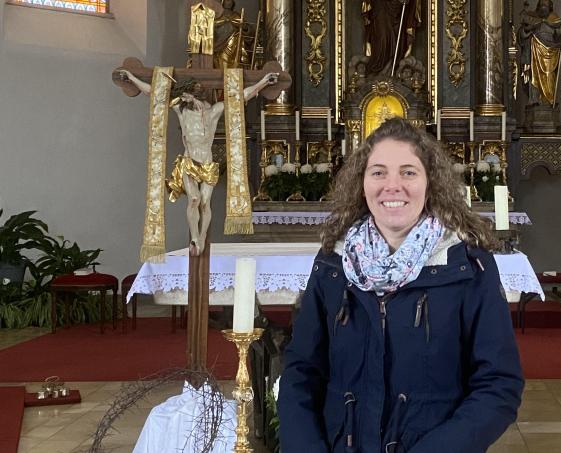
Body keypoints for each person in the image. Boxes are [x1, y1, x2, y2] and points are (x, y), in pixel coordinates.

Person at [278, 117, 523, 453]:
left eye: (408, 172)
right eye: (378, 172)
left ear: (430, 182)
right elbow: (301, 373)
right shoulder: (333, 265)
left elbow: (499, 385)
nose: (392, 185)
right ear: (362, 183)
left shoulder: (468, 266)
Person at [117, 69, 279, 255]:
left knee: (204, 204)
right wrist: (132, 78)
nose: (187, 99)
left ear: (198, 96)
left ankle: (202, 237)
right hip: (189, 161)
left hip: (207, 163)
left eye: (191, 96)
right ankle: (194, 238)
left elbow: (241, 97)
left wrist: (264, 82)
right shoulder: (181, 110)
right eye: (186, 95)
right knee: (194, 199)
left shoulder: (214, 112)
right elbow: (154, 93)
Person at [518, 0, 561, 105]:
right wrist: (527, 31)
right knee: (533, 77)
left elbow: (559, 37)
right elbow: (522, 35)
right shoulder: (533, 19)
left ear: (550, 8)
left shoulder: (555, 20)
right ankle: (535, 100)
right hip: (534, 52)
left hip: (551, 54)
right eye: (541, 5)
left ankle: (549, 100)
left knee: (549, 76)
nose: (543, 8)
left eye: (546, 5)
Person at [362, 0, 422, 75]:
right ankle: (377, 69)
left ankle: (392, 68)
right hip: (380, 6)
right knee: (382, 36)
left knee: (397, 39)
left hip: (397, 7)